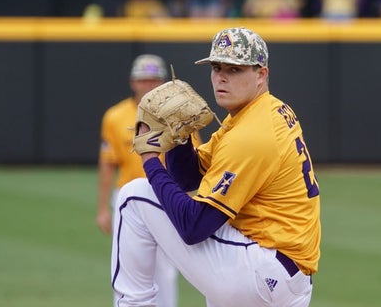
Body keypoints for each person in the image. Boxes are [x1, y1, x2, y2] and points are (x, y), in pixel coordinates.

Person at [111, 27, 321, 306]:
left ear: (261, 75)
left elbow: (194, 227)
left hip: (262, 272)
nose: (221, 77)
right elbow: (189, 178)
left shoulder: (251, 135)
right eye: (216, 67)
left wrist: (150, 158)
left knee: (134, 196)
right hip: (283, 279)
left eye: (234, 69)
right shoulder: (262, 112)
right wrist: (180, 137)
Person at [98, 54, 191, 307]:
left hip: (165, 197)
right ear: (132, 82)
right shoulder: (115, 117)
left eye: (155, 80)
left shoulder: (178, 113)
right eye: (144, 80)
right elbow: (108, 163)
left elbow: (196, 160)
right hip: (127, 198)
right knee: (128, 266)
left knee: (165, 268)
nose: (149, 85)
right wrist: (102, 208)